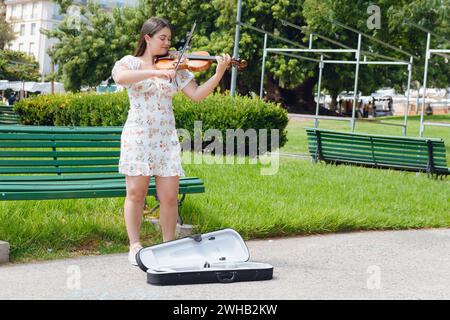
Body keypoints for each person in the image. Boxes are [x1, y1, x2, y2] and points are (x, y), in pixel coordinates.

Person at [111, 17, 231, 266]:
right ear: (147, 38)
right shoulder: (130, 63)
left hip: (165, 138)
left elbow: (196, 95)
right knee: (136, 193)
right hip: (138, 136)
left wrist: (219, 73)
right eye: (162, 38)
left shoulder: (176, 67)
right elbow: (121, 78)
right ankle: (134, 246)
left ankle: (169, 247)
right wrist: (156, 71)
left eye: (169, 38)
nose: (167, 43)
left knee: (168, 197)